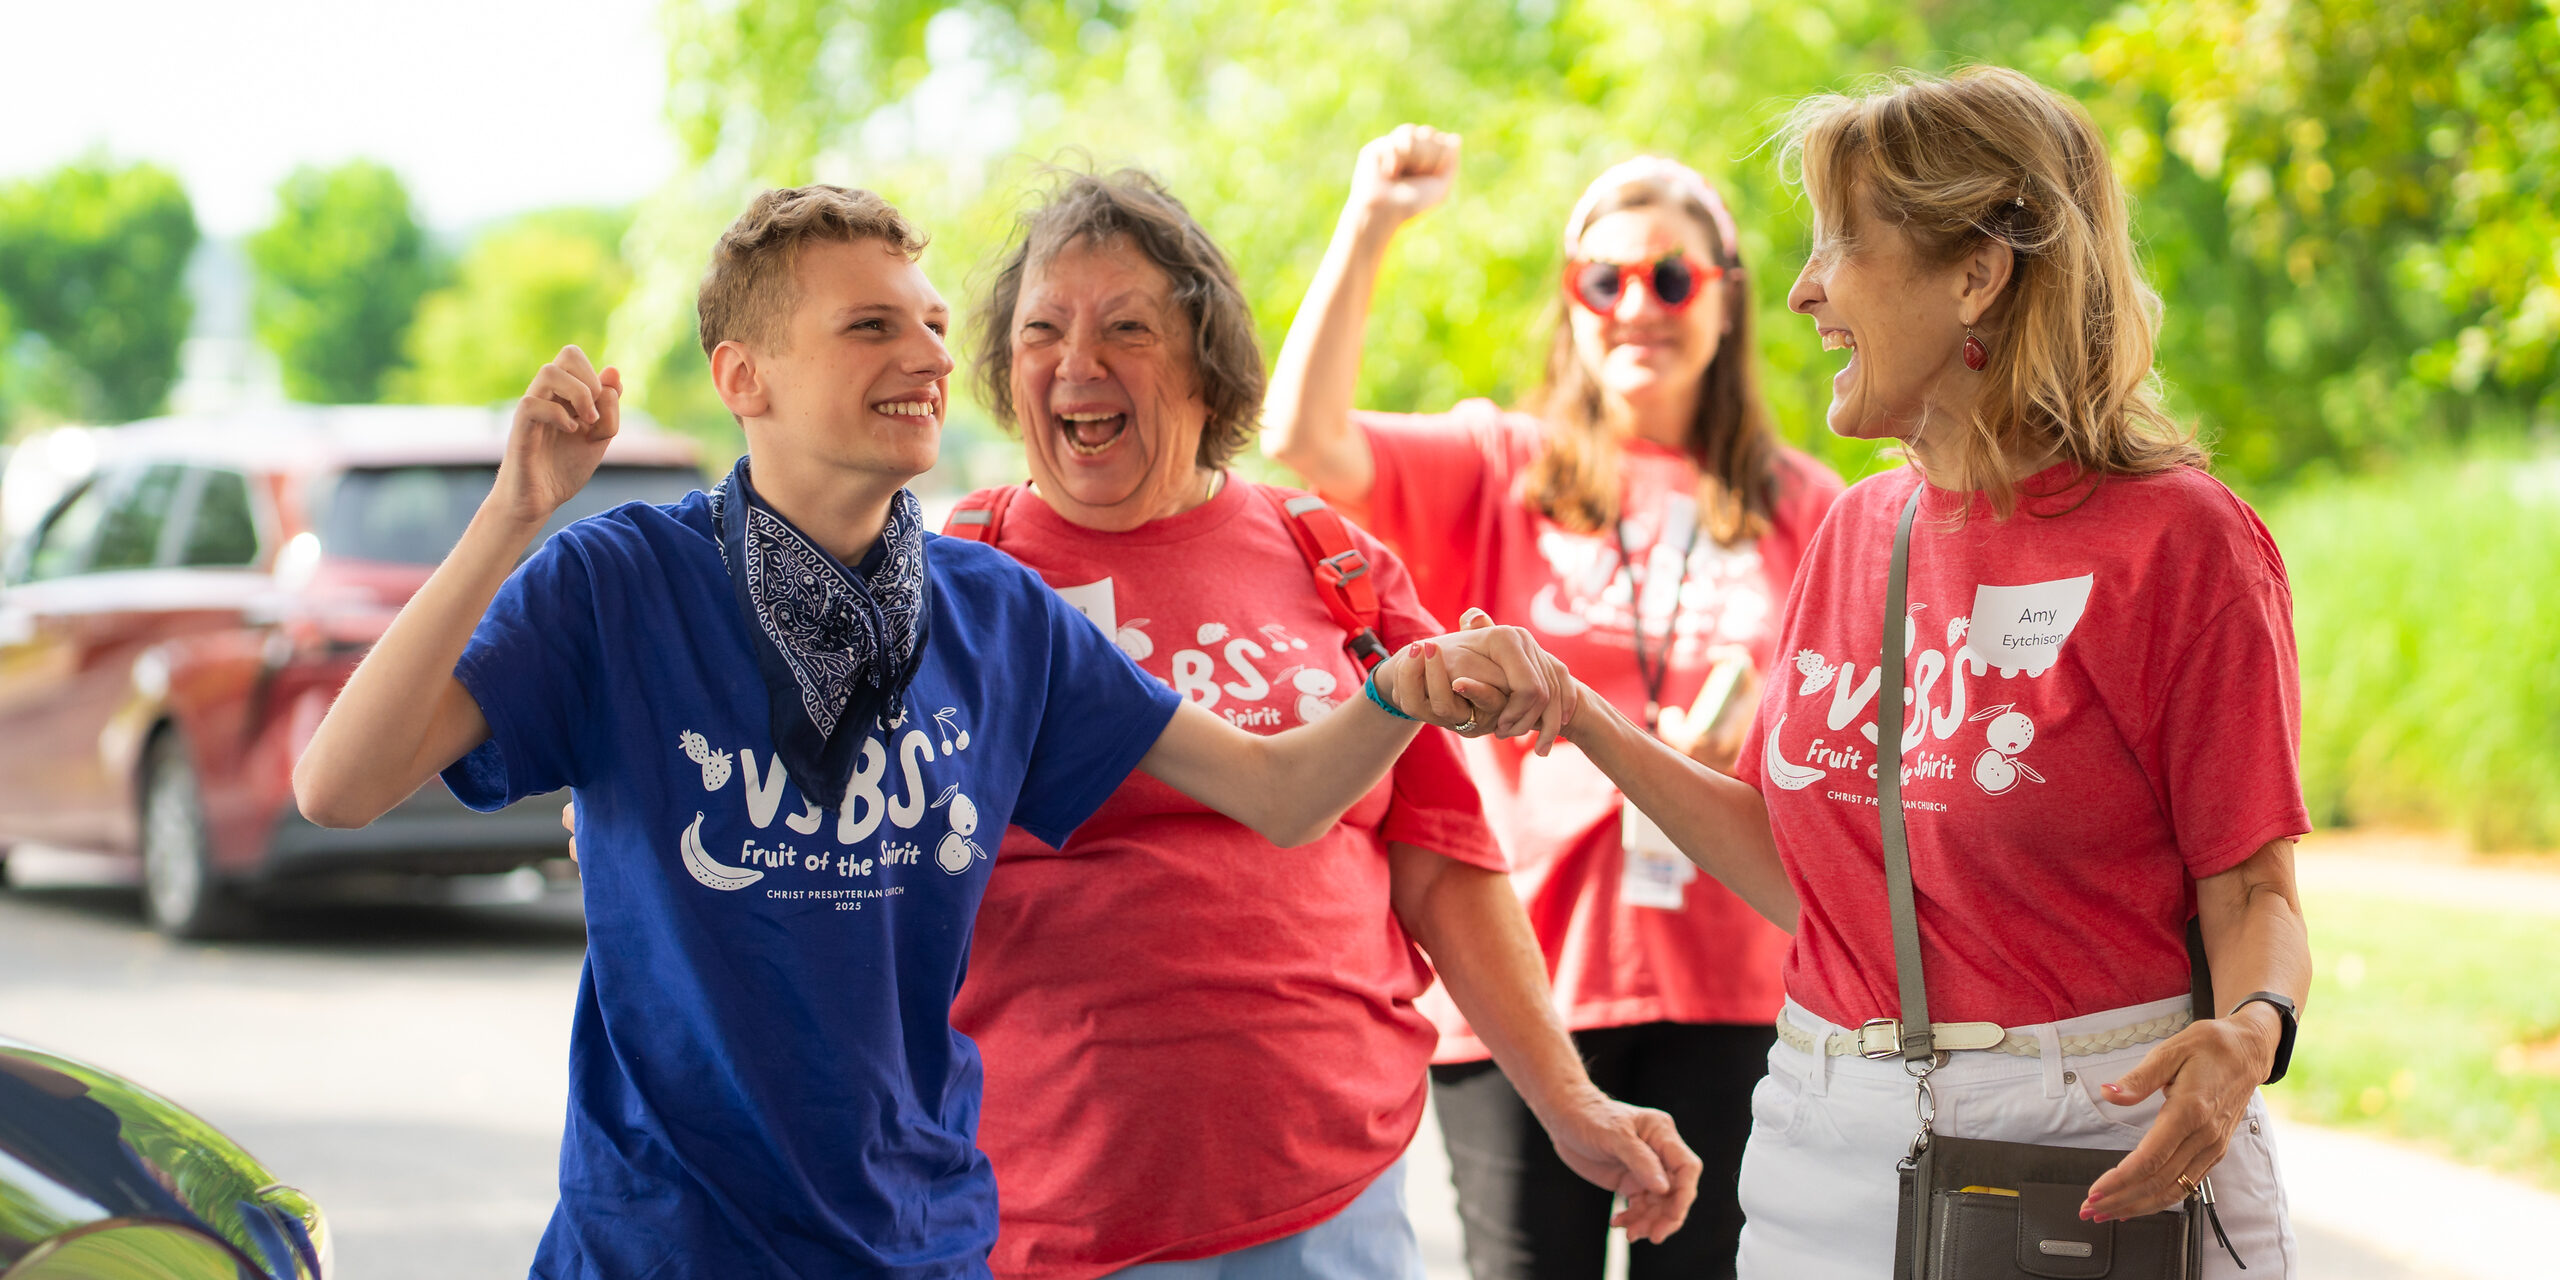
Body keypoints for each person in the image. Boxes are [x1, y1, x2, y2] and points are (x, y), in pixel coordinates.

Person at [289, 185, 1568, 1279]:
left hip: (921, 1238)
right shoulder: (620, 583)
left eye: (936, 325)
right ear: (744, 377)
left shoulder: (997, 612)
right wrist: (513, 514)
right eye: (870, 326)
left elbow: (1281, 795)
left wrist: (1402, 687)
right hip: (666, 1237)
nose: (930, 355)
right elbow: (339, 785)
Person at [1535, 67, 2313, 1278]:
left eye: (1840, 246)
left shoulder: (2180, 542)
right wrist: (1575, 711)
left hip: (2092, 1149)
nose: (1800, 292)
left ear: (1975, 275)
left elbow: (2254, 888)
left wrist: (2251, 1033)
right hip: (1820, 1137)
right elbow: (1809, 877)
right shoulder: (1859, 530)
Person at [939, 169, 1701, 1280]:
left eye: (1125, 327)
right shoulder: (963, 579)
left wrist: (1569, 1097)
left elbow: (1442, 865)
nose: (1075, 362)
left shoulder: (1328, 558)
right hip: (1045, 1217)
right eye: (1040, 330)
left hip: (1327, 1204)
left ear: (1206, 362)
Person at [1264, 127, 1842, 1278]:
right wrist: (1372, 219)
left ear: (1724, 301)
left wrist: (1762, 736)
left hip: (1735, 976)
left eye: (1672, 276)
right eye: (1605, 278)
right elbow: (1301, 437)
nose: (1639, 302)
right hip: (1527, 978)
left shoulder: (1811, 505)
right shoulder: (1497, 462)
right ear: (1572, 303)